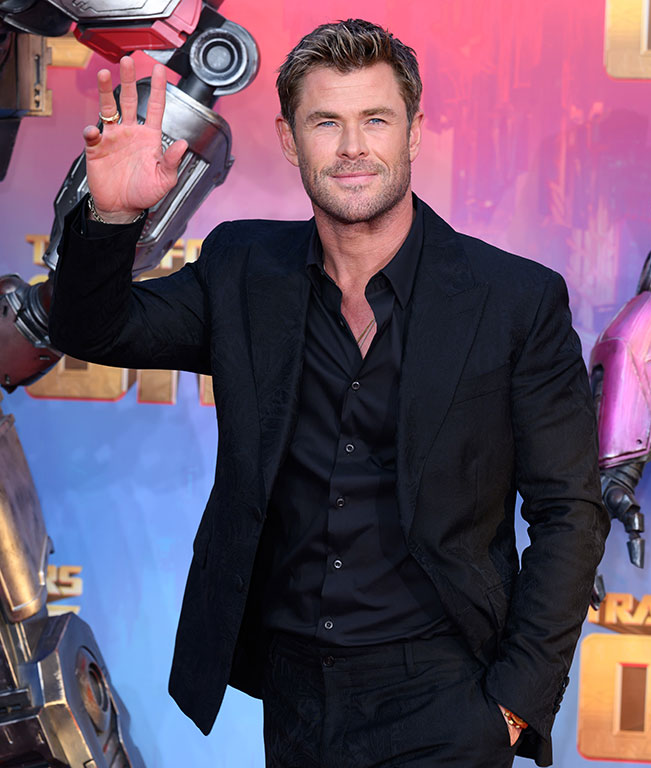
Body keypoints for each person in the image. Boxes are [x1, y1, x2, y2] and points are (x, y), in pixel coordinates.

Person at [48, 19, 609, 768]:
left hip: (446, 693)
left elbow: (569, 510)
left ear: (412, 133)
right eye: (326, 122)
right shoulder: (244, 267)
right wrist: (111, 217)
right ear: (288, 139)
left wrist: (512, 707)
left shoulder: (513, 300)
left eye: (376, 119)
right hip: (294, 696)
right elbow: (97, 331)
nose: (352, 148)